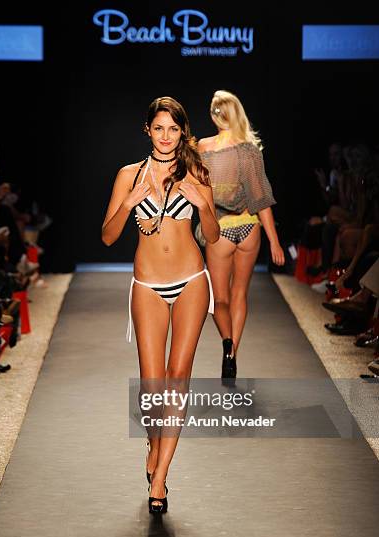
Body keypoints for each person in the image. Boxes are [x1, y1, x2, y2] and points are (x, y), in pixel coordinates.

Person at [101, 96, 219, 514]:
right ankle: (154, 449)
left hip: (191, 280)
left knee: (178, 377)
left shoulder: (197, 172)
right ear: (147, 130)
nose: (166, 136)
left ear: (182, 132)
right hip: (147, 284)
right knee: (152, 387)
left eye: (173, 129)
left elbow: (214, 235)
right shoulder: (128, 176)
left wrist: (204, 203)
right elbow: (109, 237)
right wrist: (131, 203)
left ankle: (161, 478)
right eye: (158, 128)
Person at [196, 90, 285, 380]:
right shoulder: (249, 150)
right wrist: (275, 242)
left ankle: (226, 344)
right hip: (249, 229)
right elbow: (261, 200)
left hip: (219, 231)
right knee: (239, 295)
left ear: (213, 115)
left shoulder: (203, 148)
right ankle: (234, 352)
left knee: (218, 299)